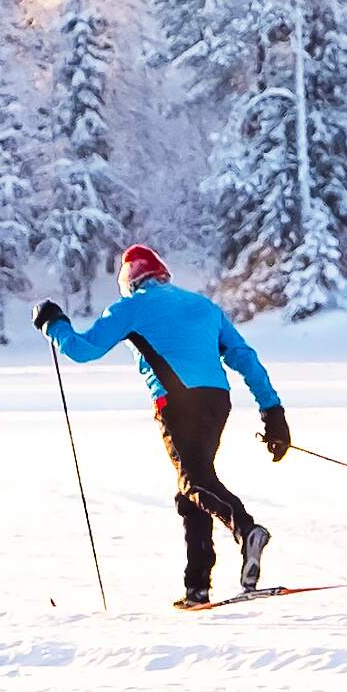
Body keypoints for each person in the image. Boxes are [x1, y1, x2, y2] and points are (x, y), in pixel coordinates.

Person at [35, 244, 291, 609]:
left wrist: (53, 323)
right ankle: (197, 587)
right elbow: (244, 357)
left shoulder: (131, 307)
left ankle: (246, 529)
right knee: (191, 489)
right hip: (217, 401)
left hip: (176, 402)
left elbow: (82, 350)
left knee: (194, 481)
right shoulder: (203, 305)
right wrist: (272, 412)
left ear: (131, 281)